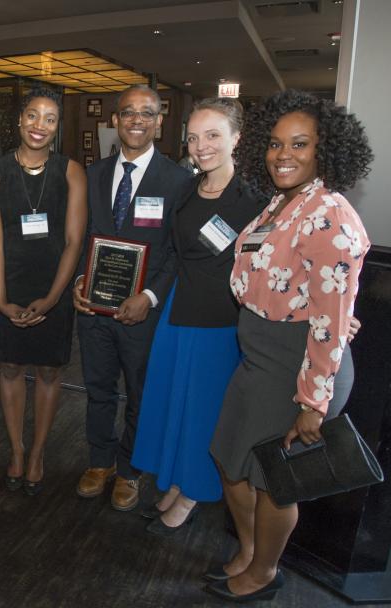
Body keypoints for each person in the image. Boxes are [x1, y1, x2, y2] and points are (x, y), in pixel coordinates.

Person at [204, 90, 372, 603]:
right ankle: (252, 552)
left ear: (326, 150)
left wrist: (312, 404)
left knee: (276, 480)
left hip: (298, 367)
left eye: (299, 144)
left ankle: (263, 572)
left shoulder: (330, 213)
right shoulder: (284, 202)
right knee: (230, 460)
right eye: (276, 144)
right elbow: (307, 286)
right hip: (259, 359)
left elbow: (329, 320)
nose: (284, 155)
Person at [130, 98, 266, 533]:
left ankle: (193, 491)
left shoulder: (255, 204)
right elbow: (173, 254)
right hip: (176, 312)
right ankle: (174, 478)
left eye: (212, 135)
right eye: (193, 137)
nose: (201, 146)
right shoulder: (186, 189)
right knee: (173, 400)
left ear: (236, 140)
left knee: (204, 409)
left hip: (219, 321)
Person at [73, 84, 192, 511]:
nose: (136, 120)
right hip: (94, 309)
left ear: (160, 122)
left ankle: (129, 470)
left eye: (146, 113)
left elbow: (180, 251)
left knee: (141, 395)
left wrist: (150, 295)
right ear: (115, 120)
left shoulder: (179, 181)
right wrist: (80, 279)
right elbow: (83, 238)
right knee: (98, 389)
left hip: (143, 314)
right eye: (127, 112)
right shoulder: (92, 175)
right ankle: (99, 460)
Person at [0, 87, 87, 495]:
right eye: (33, 116)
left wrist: (55, 297)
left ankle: (39, 452)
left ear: (57, 127)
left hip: (53, 286)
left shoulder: (71, 171)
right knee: (8, 368)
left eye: (50, 119)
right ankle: (17, 450)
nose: (39, 125)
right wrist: (1, 299)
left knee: (48, 371)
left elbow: (75, 241)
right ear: (20, 119)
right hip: (10, 283)